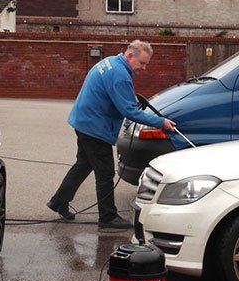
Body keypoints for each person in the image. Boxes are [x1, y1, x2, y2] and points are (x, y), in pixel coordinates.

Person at [48, 40, 175, 233]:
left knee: (83, 164)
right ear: (130, 55)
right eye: (142, 63)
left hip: (83, 121)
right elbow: (129, 111)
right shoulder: (120, 75)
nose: (144, 68)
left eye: (146, 63)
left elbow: (117, 98)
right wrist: (161, 122)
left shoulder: (110, 62)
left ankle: (59, 201)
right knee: (105, 173)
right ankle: (107, 217)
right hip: (94, 127)